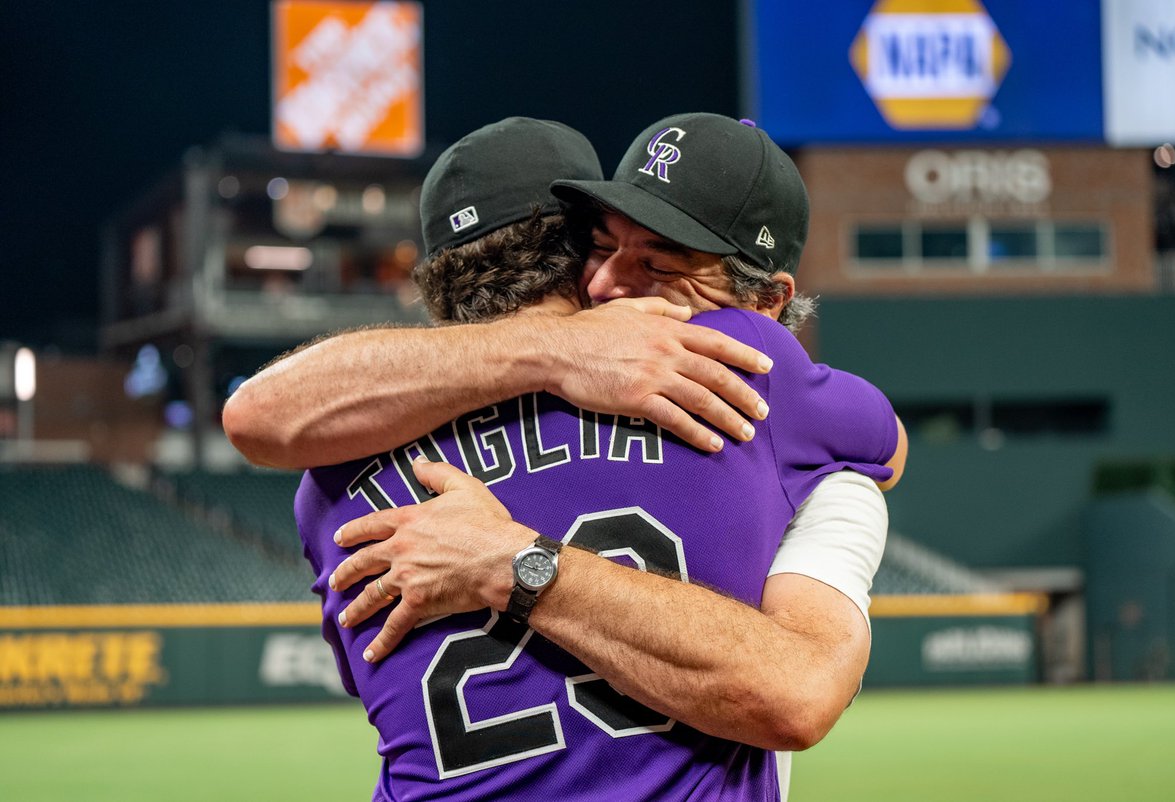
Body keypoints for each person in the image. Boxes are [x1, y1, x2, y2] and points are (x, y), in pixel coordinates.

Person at [228, 114, 905, 800]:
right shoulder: (732, 359)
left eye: (657, 262)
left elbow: (257, 422)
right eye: (606, 246)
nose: (614, 283)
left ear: (432, 283)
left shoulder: (330, 470)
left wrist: (509, 558)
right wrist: (563, 347)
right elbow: (888, 443)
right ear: (578, 245)